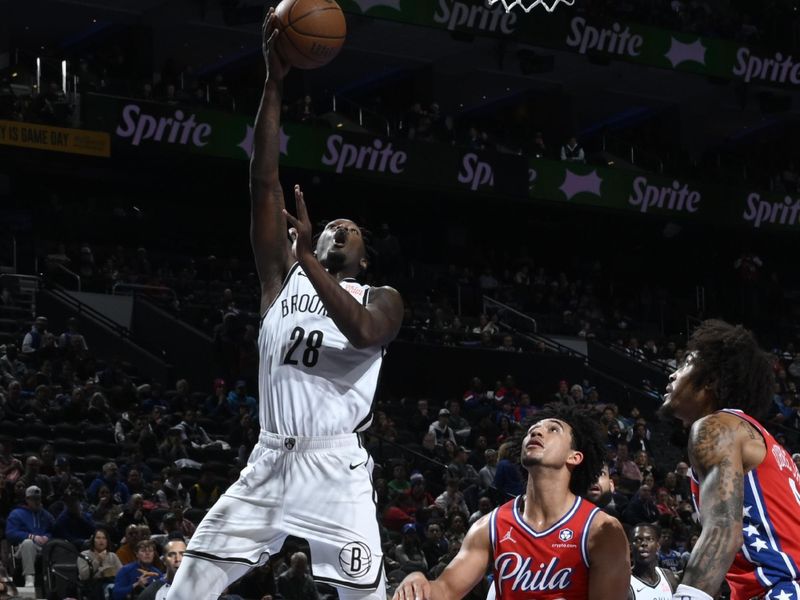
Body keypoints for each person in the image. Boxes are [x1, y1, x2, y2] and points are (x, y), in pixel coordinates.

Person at [166, 9, 403, 600]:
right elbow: (263, 181)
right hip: (269, 459)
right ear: (313, 237)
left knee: (364, 596)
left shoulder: (379, 295)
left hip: (335, 468)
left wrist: (312, 261)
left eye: (352, 230)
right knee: (191, 583)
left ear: (364, 257)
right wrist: (274, 82)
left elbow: (367, 333)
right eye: (333, 226)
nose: (341, 228)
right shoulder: (280, 280)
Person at [392, 404, 630, 600]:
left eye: (553, 429)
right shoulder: (489, 526)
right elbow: (446, 589)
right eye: (532, 430)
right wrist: (421, 584)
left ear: (574, 456)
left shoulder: (601, 530)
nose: (536, 433)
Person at [659, 319, 800, 600]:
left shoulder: (715, 426)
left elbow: (724, 529)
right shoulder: (770, 446)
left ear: (711, 380)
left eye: (685, 364)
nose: (673, 375)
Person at [5, 485, 54, 587]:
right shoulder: (17, 513)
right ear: (27, 499)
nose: (36, 501)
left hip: (43, 547)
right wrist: (31, 536)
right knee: (28, 543)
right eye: (33, 499)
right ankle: (29, 578)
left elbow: (55, 530)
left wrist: (47, 537)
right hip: (22, 548)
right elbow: (10, 533)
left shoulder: (46, 515)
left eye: (38, 498)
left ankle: (56, 582)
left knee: (58, 544)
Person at [628, 523, 678, 600]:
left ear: (658, 546)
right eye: (638, 540)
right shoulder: (626, 584)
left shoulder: (668, 576)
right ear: (630, 547)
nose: (644, 543)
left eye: (650, 539)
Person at [78, 528, 123, 600]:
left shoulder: (112, 556)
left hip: (112, 583)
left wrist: (112, 573)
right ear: (93, 540)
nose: (101, 540)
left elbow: (122, 573)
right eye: (98, 538)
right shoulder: (84, 555)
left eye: (104, 538)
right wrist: (98, 560)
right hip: (92, 587)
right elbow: (84, 576)